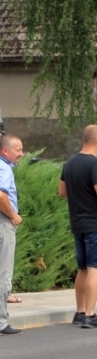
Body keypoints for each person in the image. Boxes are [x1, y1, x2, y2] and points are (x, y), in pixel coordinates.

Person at [58, 125, 97, 328]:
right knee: (95, 268)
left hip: (78, 223)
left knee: (83, 268)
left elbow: (62, 192)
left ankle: (80, 312)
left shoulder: (70, 163)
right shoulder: (95, 164)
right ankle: (90, 315)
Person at [0, 134, 24, 335]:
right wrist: (13, 216)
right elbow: (1, 195)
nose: (22, 154)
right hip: (3, 224)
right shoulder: (4, 168)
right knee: (3, 274)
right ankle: (0, 322)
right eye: (18, 150)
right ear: (5, 151)